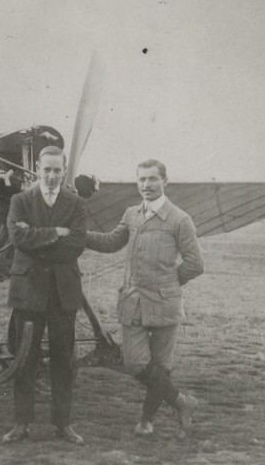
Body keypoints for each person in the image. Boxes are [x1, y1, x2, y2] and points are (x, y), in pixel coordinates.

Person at [85, 159, 204, 438]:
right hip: (133, 301)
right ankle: (182, 403)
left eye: (152, 179)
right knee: (136, 363)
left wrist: (171, 281)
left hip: (165, 302)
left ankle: (146, 422)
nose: (146, 185)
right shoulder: (132, 214)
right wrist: (79, 236)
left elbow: (195, 263)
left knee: (161, 367)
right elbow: (112, 242)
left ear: (165, 181)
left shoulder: (180, 219)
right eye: (141, 180)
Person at [2, 145, 87, 445]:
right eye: (46, 169)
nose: (51, 176)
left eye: (57, 170)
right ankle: (21, 423)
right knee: (25, 358)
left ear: (64, 172)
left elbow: (76, 244)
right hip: (28, 293)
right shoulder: (20, 200)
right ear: (37, 169)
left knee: (64, 360)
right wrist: (55, 233)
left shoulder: (75, 203)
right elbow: (18, 237)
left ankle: (62, 424)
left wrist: (38, 235)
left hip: (63, 294)